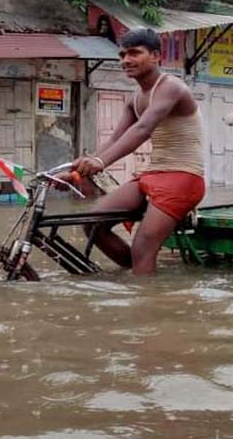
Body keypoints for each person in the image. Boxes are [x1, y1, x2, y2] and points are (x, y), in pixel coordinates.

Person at [68, 28, 205, 275]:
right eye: (122, 55)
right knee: (92, 222)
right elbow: (116, 138)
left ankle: (147, 301)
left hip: (184, 177)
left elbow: (143, 129)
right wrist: (81, 168)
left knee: (143, 246)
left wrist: (100, 162)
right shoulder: (135, 98)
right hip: (153, 175)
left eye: (134, 53)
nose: (126, 60)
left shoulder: (171, 87)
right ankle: (139, 274)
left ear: (155, 56)